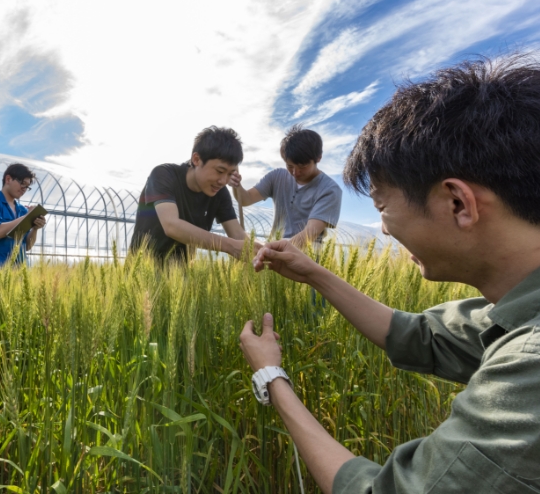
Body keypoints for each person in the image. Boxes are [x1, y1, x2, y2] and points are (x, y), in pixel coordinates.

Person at [239, 55, 540, 493]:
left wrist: (271, 378)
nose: (380, 226)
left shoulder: (530, 366)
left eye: (381, 206)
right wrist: (316, 275)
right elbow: (422, 336)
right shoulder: (515, 311)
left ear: (458, 203)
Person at [129, 125, 260, 262]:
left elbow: (238, 234)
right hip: (142, 271)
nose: (223, 181)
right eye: (220, 171)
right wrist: (230, 246)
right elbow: (171, 225)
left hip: (182, 277)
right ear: (196, 159)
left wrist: (268, 249)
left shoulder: (220, 193)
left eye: (230, 174)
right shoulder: (163, 175)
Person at [230, 125, 342, 249]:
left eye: (302, 167)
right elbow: (246, 199)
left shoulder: (330, 189)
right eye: (290, 166)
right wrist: (237, 186)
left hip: (306, 255)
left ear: (318, 158)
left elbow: (310, 233)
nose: (295, 173)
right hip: (275, 250)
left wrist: (272, 251)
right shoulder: (277, 176)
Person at [0, 163, 47, 268]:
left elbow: (27, 246)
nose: (24, 188)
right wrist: (27, 218)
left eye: (27, 187)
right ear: (8, 179)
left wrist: (35, 229)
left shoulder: (22, 210)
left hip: (22, 269)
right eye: (22, 183)